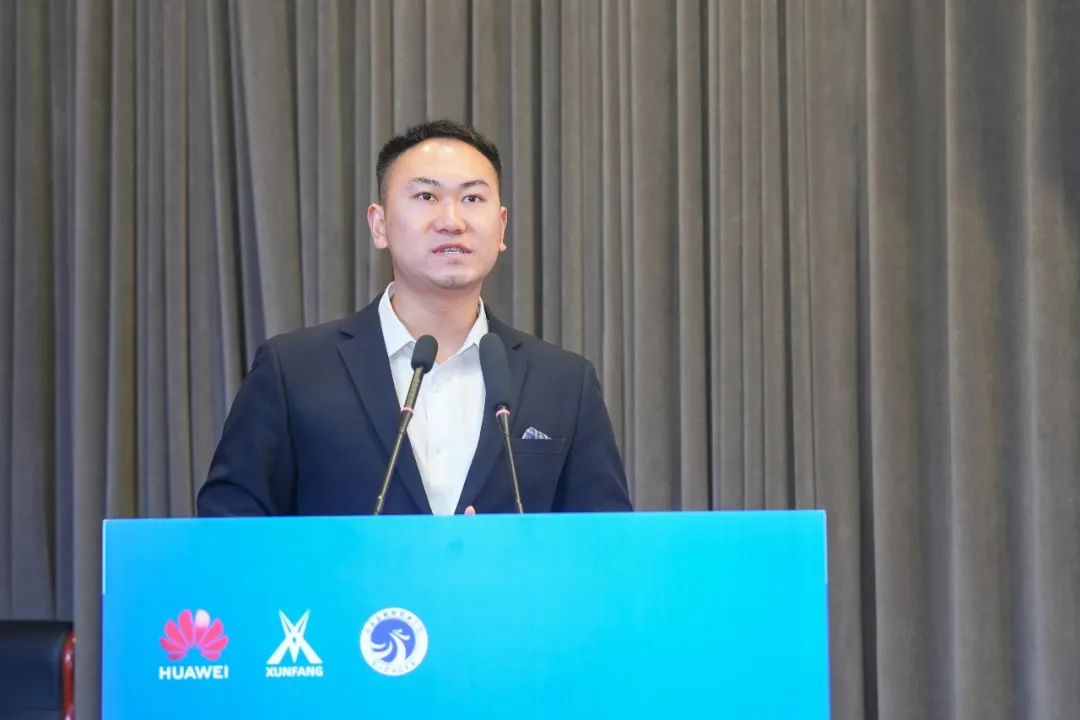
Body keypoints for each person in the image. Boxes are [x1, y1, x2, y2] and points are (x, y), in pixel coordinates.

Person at [196, 119, 633, 517]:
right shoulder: (293, 371)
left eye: (472, 198)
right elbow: (228, 529)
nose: (452, 221)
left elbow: (607, 546)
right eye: (426, 196)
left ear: (501, 227)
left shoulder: (564, 383)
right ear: (379, 225)